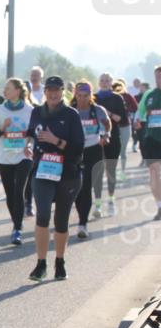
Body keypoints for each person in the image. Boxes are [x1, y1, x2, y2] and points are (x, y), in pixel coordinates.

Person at [26, 76, 84, 281]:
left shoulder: (71, 115)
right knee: (42, 216)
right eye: (49, 90)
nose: (53, 94)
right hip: (42, 171)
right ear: (45, 91)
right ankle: (41, 264)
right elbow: (32, 132)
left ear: (62, 92)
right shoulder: (37, 111)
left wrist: (56, 141)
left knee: (61, 220)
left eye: (57, 90)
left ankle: (60, 261)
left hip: (68, 172)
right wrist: (27, 144)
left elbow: (78, 148)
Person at [0, 78, 35, 245]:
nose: (4, 91)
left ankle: (17, 228)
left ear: (17, 91)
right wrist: (3, 128)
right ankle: (17, 220)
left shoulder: (29, 110)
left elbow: (33, 132)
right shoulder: (0, 110)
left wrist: (29, 144)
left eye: (8, 88)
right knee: (9, 193)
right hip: (5, 157)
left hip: (23, 156)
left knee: (18, 191)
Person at [70, 81, 111, 239]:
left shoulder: (98, 110)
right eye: (79, 96)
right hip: (75, 151)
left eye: (85, 96)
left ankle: (83, 224)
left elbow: (107, 127)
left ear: (91, 95)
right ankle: (82, 218)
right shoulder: (70, 111)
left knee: (86, 185)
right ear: (75, 94)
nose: (82, 99)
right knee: (76, 188)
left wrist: (106, 135)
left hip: (93, 150)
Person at [94, 72, 128, 217]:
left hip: (113, 139)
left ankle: (111, 201)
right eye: (102, 80)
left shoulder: (117, 98)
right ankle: (98, 205)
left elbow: (122, 119)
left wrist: (108, 113)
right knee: (97, 172)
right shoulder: (93, 98)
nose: (105, 83)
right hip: (96, 139)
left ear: (111, 83)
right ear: (99, 83)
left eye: (107, 80)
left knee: (111, 172)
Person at [135, 65, 161, 220]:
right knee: (154, 173)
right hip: (152, 138)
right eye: (157, 77)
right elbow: (140, 111)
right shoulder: (150, 95)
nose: (160, 79)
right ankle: (159, 207)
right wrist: (137, 121)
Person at [114, 79, 138, 178]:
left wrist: (127, 110)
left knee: (123, 150)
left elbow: (136, 107)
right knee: (114, 150)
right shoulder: (112, 97)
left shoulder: (128, 96)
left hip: (125, 126)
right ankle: (114, 171)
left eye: (120, 86)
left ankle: (122, 171)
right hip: (114, 127)